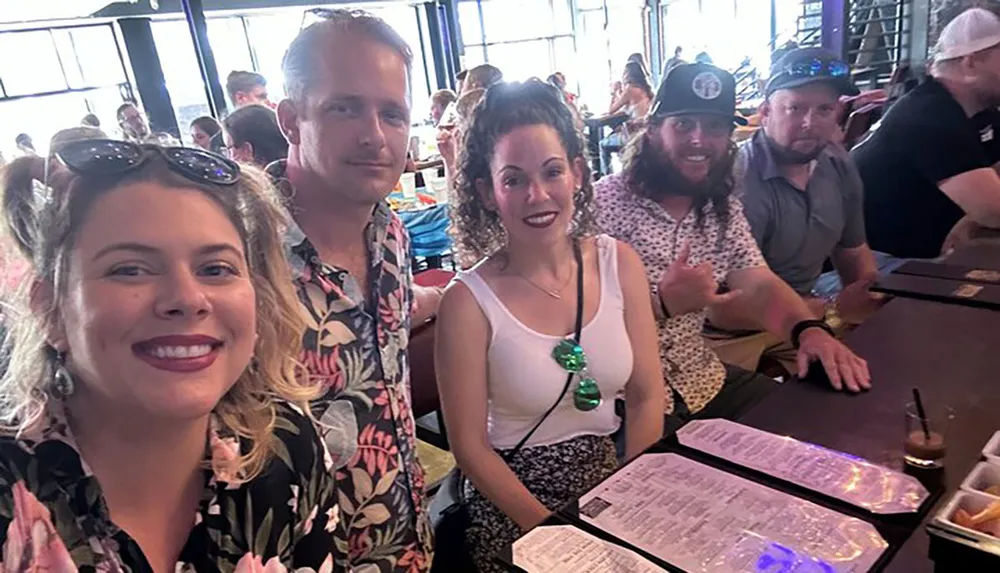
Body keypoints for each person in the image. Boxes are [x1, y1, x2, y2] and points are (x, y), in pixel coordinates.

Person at [0, 141, 343, 571]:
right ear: (49, 308)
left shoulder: (288, 448)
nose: (187, 298)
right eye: (130, 269)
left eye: (216, 268)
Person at [436, 79, 664, 573]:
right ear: (487, 192)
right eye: (513, 179)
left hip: (610, 483)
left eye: (552, 172)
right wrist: (557, 532)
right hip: (514, 501)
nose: (537, 195)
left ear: (578, 174)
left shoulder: (618, 263)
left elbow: (647, 396)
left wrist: (630, 495)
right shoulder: (467, 302)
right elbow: (470, 449)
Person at [594, 63, 872, 433]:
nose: (699, 139)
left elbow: (757, 283)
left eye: (714, 127)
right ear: (653, 130)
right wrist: (660, 305)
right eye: (683, 124)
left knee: (813, 424)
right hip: (619, 397)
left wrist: (808, 331)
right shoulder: (603, 203)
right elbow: (561, 314)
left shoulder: (719, 206)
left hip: (700, 378)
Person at [274, 10, 436, 570]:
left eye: (392, 113)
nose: (374, 135)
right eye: (344, 107)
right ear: (291, 121)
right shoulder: (237, 259)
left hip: (408, 541)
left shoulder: (390, 231)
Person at [712, 48, 882, 372]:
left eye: (824, 110)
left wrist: (869, 301)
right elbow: (721, 308)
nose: (810, 123)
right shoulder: (737, 181)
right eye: (795, 108)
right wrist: (829, 309)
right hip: (735, 335)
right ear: (765, 112)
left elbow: (854, 252)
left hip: (809, 318)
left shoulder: (838, 163)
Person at [852, 8, 1000, 258]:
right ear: (970, 63)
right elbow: (994, 210)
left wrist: (969, 218)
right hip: (875, 266)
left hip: (921, 257)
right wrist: (979, 210)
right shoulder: (929, 115)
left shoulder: (980, 112)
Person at [600, 61, 654, 174]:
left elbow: (611, 110)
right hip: (647, 132)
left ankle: (605, 174)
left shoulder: (630, 89)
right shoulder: (647, 90)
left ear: (627, 74)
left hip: (633, 134)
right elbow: (627, 108)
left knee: (603, 144)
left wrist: (614, 92)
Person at [223, 104, 289, 168]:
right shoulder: (295, 170)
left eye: (229, 150)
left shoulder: (264, 178)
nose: (229, 158)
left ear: (247, 150)